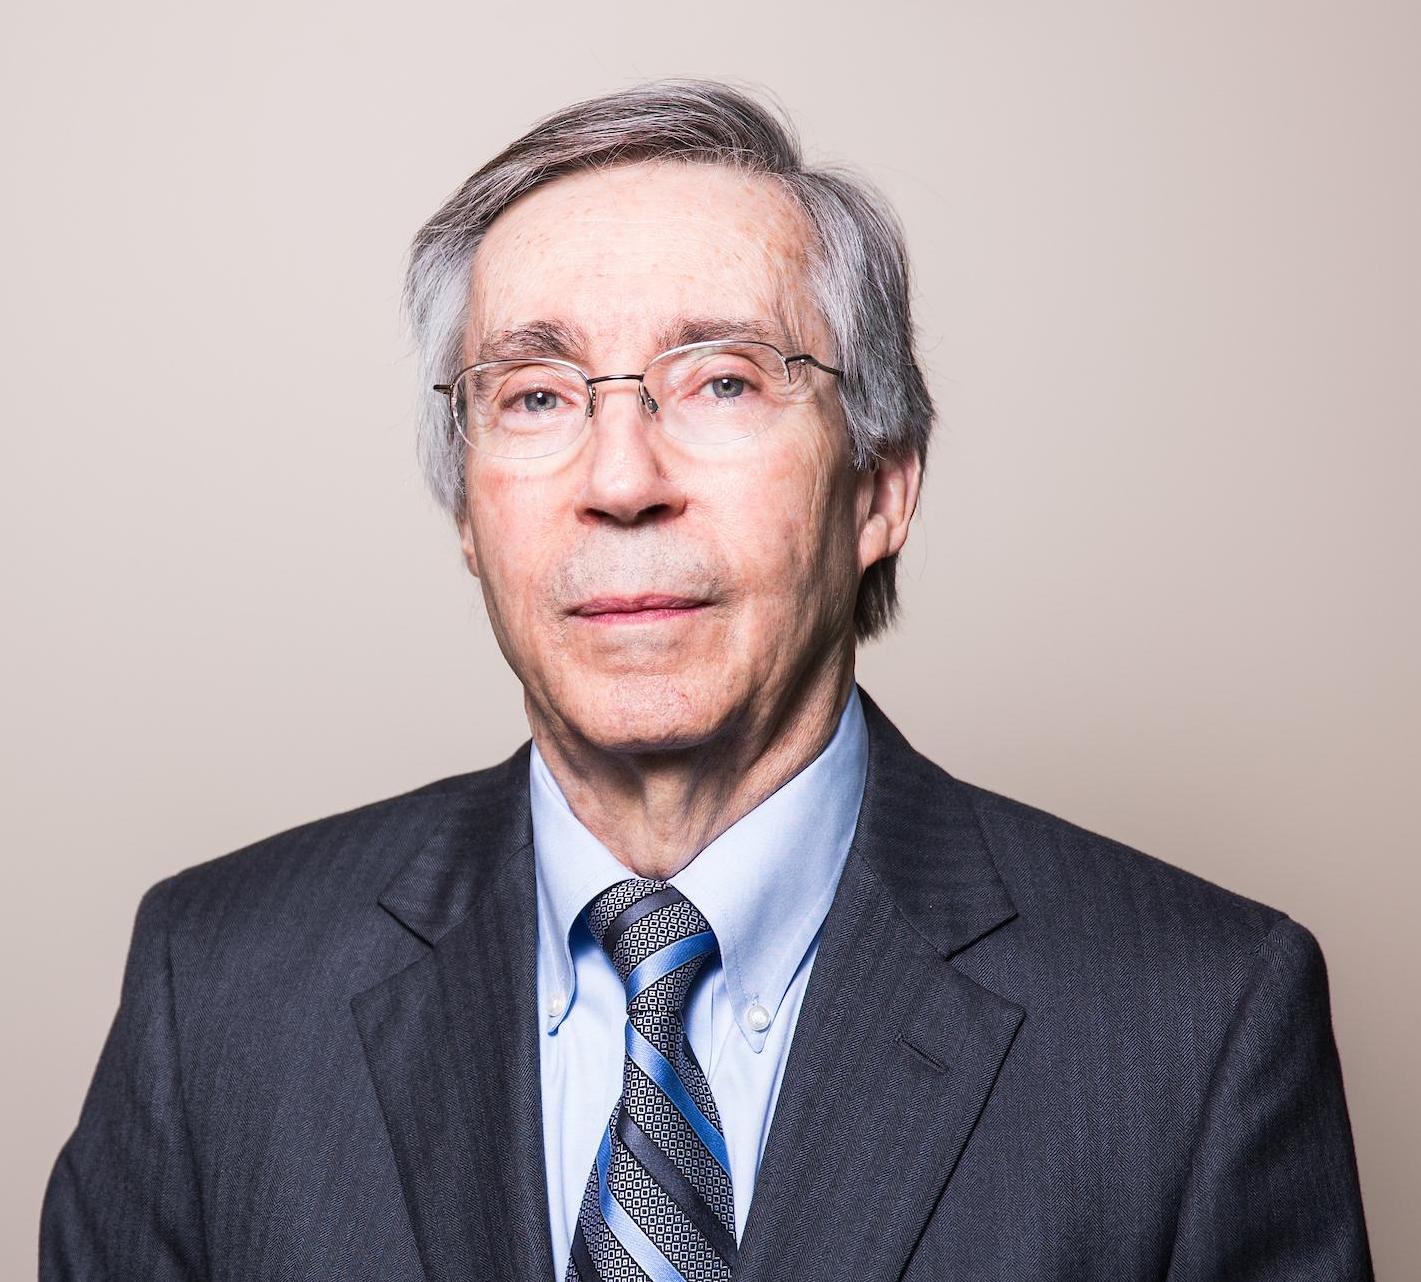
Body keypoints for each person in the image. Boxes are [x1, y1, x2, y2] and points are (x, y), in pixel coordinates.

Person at [41, 79, 1373, 1281]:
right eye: (537, 396)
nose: (621, 481)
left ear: (879, 486)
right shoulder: (217, 984)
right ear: (465, 510)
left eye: (722, 379)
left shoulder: (1197, 1022)